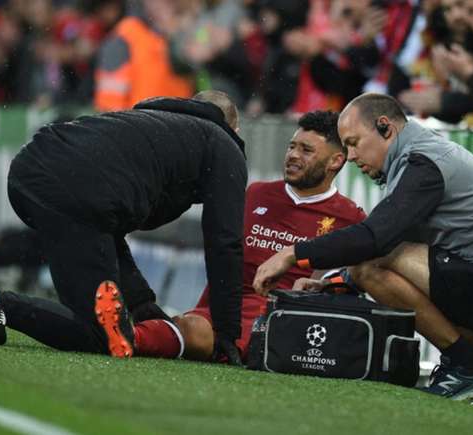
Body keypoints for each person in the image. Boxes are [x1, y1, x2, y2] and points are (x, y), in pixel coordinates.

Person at [253, 93, 473, 414]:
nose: (351, 156)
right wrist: (333, 281)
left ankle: (466, 367)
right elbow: (396, 251)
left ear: (385, 128)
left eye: (354, 143)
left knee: (368, 267)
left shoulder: (422, 162)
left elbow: (374, 240)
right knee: (373, 270)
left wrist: (293, 253)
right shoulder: (415, 157)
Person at [4, 90, 246, 363]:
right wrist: (226, 332)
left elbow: (105, 227)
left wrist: (142, 304)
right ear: (234, 129)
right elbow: (224, 242)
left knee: (92, 312)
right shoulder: (222, 143)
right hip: (76, 192)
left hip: (28, 172)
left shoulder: (146, 119)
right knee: (101, 336)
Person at [132, 110, 366, 361]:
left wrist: (325, 283)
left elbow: (360, 276)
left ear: (335, 161)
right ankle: (123, 335)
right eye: (291, 147)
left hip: (280, 318)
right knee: (183, 325)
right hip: (224, 308)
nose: (293, 156)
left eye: (306, 150)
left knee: (190, 331)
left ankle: (126, 336)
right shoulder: (256, 194)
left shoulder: (349, 217)